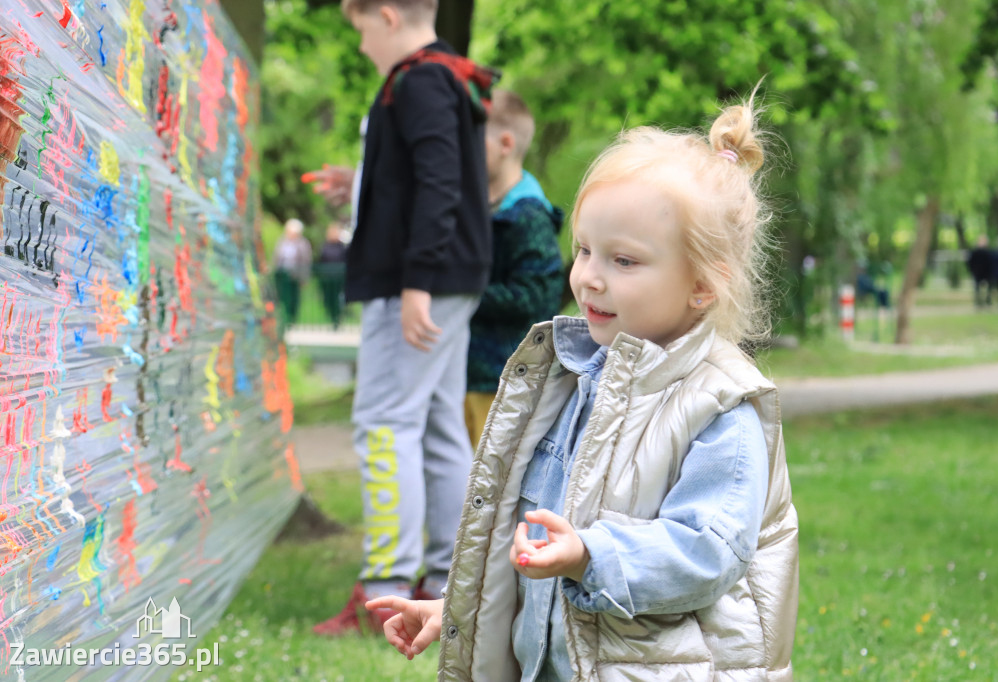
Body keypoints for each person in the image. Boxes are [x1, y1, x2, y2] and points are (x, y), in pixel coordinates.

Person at [367, 95, 799, 680]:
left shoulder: (720, 407)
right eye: (585, 250)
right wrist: (460, 609)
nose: (589, 277)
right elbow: (532, 539)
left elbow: (707, 553)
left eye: (623, 261)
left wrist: (591, 555)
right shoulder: (570, 379)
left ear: (702, 285)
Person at [307, 0, 498, 636]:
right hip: (452, 278)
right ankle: (446, 584)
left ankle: (385, 594)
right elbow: (424, 177)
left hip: (416, 285)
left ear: (386, 16)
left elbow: (440, 182)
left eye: (360, 28)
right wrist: (360, 182)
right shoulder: (448, 75)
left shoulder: (416, 80)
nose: (361, 45)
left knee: (385, 423)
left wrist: (417, 279)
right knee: (440, 423)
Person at [464, 90, 564, 449]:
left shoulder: (528, 215)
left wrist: (461, 292)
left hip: (502, 382)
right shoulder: (479, 206)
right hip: (467, 377)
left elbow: (535, 297)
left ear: (505, 143)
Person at [272, 218, 313, 326]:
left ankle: (292, 318)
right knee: (282, 298)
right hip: (283, 275)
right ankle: (283, 318)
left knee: (294, 299)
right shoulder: (282, 242)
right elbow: (276, 258)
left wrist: (304, 278)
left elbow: (306, 261)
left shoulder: (303, 244)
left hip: (295, 275)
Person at [316, 222, 349, 328]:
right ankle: (331, 317)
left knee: (337, 300)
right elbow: (320, 260)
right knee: (328, 300)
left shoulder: (342, 247)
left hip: (338, 279)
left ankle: (336, 319)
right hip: (327, 279)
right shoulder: (324, 246)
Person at [966, 235, 993, 308]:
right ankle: (978, 302)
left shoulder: (988, 252)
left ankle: (987, 301)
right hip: (977, 272)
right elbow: (970, 262)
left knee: (988, 287)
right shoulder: (975, 252)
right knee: (977, 287)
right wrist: (972, 270)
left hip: (986, 272)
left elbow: (991, 263)